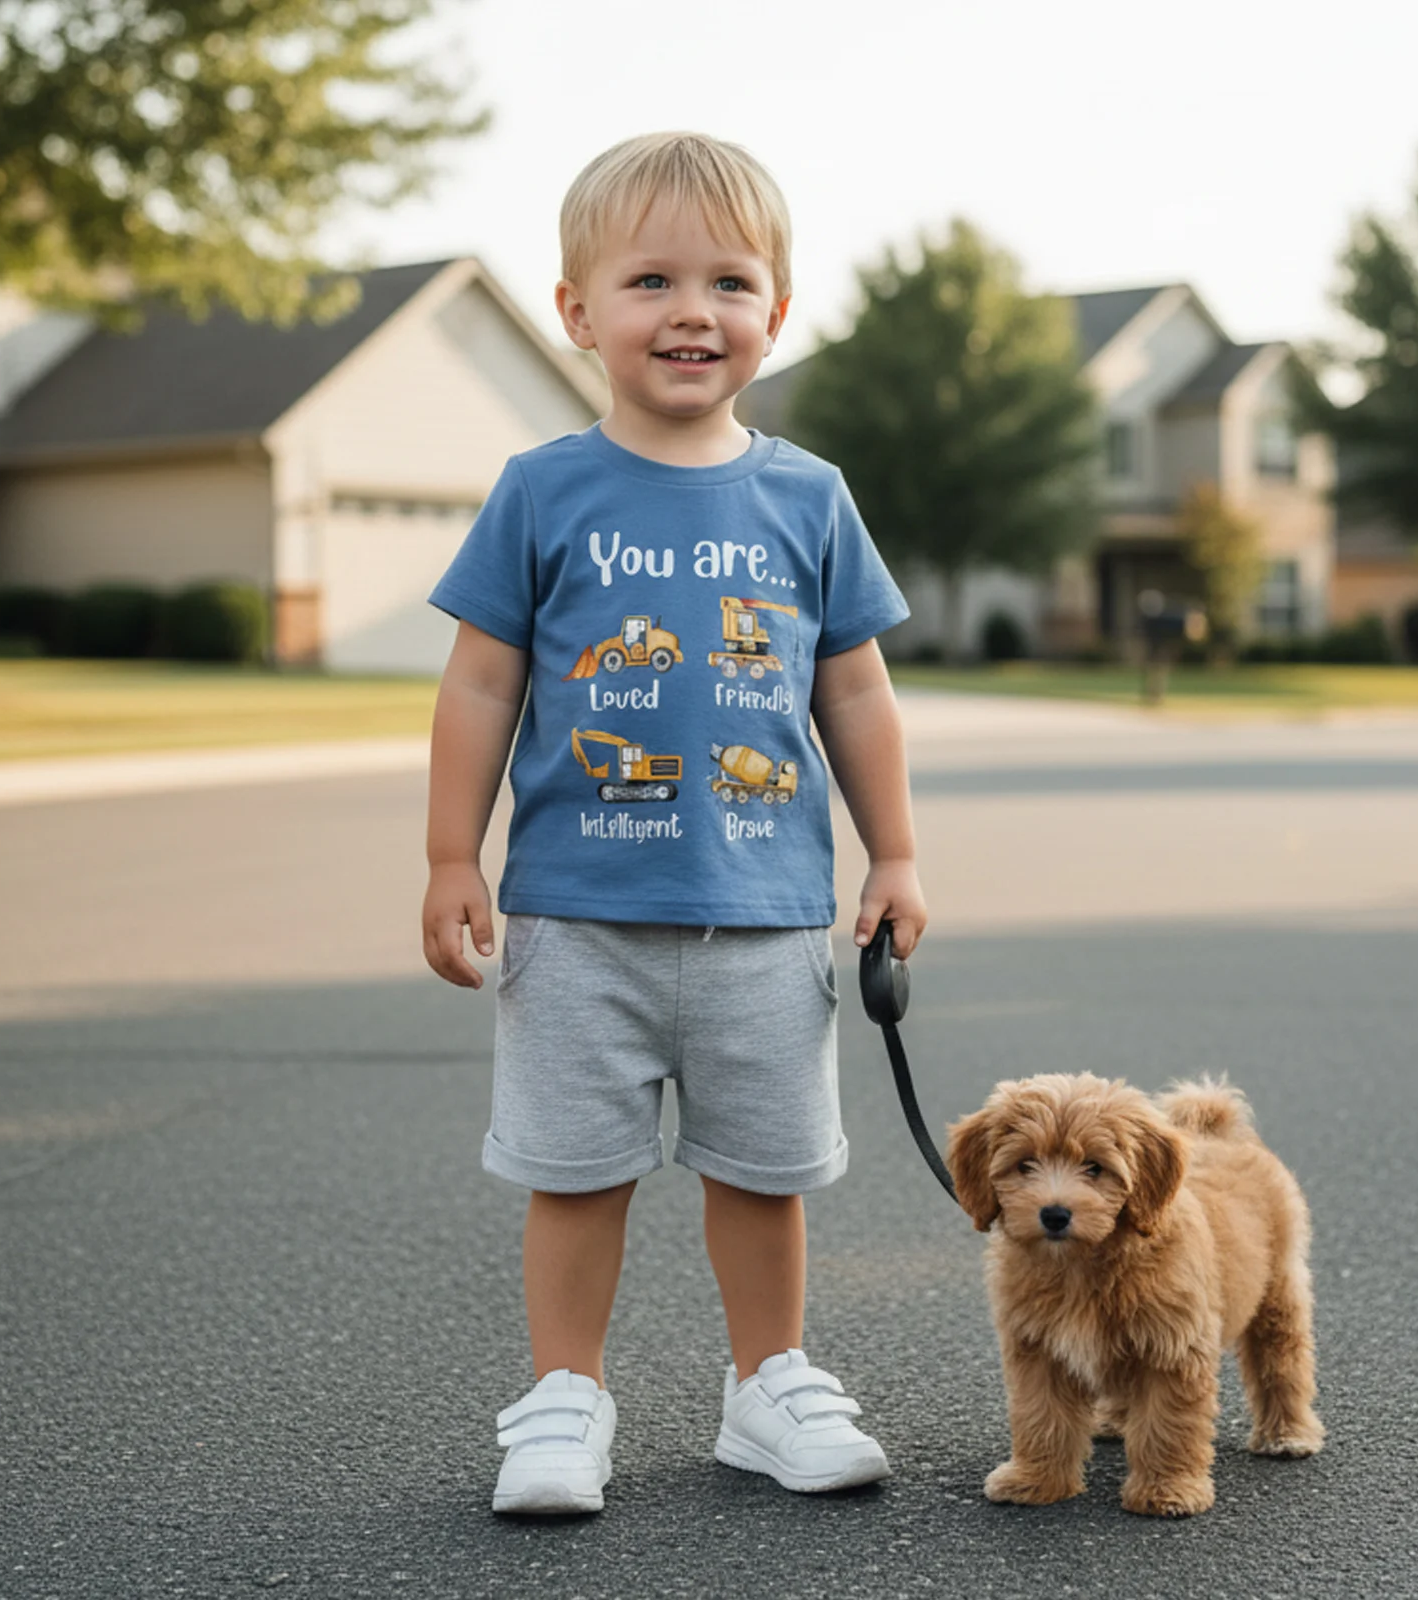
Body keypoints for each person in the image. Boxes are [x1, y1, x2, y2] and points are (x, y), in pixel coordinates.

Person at [422, 131, 927, 1515]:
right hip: (575, 920)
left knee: (763, 1176)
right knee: (573, 1176)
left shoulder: (808, 495)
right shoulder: (542, 487)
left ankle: (769, 1385)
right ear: (577, 313)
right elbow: (478, 681)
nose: (693, 310)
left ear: (779, 310)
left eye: (730, 281)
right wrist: (448, 854)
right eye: (649, 279)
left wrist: (892, 851)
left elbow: (858, 692)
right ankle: (562, 1399)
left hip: (765, 919)